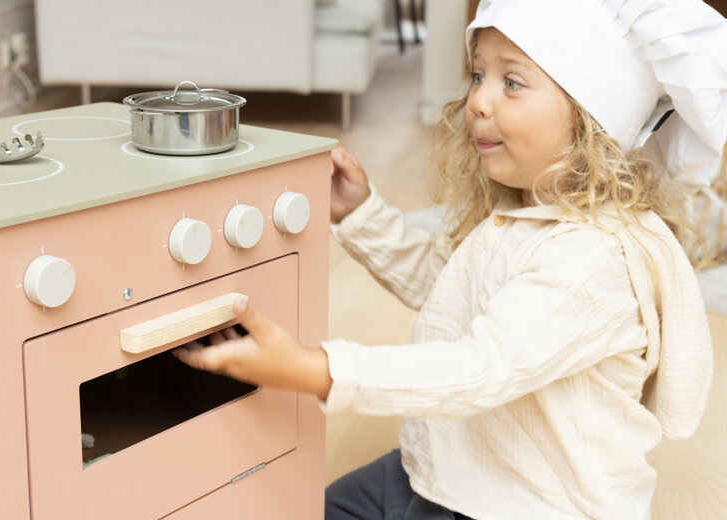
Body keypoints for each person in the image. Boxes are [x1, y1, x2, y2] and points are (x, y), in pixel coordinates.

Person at [173, 0, 727, 518]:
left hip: (528, 505)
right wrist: (362, 214)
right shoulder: (526, 211)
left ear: (591, 124)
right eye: (478, 76)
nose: (479, 101)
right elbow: (453, 292)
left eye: (512, 82)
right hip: (440, 472)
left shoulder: (597, 258)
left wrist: (317, 369)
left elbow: (483, 366)